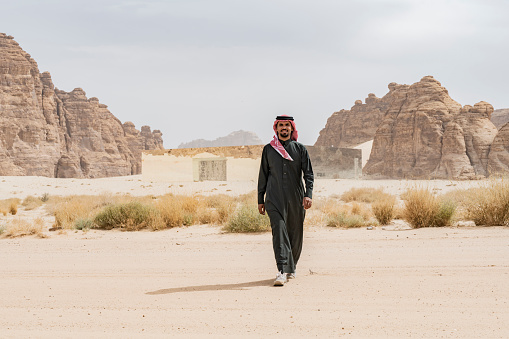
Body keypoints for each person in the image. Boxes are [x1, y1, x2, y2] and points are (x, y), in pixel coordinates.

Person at [258, 115, 314, 286]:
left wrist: (308, 194)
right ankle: (282, 270)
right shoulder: (268, 150)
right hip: (273, 198)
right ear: (276, 128)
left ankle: (291, 266)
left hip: (295, 199)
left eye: (286, 125)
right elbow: (263, 175)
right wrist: (260, 199)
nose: (284, 128)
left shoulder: (300, 149)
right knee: (279, 232)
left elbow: (309, 174)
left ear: (291, 128)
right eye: (280, 125)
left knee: (295, 234)